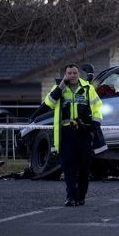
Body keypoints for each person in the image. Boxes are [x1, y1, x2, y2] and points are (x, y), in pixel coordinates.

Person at [44, 63, 103, 206]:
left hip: (83, 132)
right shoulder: (58, 88)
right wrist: (60, 87)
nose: (72, 76)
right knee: (68, 166)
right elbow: (49, 103)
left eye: (74, 73)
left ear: (79, 74)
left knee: (84, 166)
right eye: (69, 73)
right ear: (65, 75)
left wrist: (94, 126)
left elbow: (97, 108)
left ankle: (81, 195)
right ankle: (71, 196)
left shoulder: (88, 89)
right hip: (66, 133)